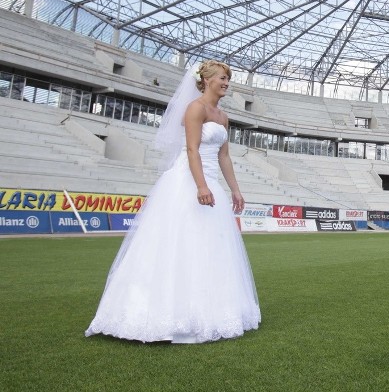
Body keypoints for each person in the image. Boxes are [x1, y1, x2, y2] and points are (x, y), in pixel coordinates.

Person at [86, 60, 261, 343]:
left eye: (228, 78)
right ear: (205, 80)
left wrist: (235, 190)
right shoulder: (195, 109)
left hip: (212, 182)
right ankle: (162, 313)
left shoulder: (223, 116)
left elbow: (224, 156)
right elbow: (192, 149)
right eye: (222, 77)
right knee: (180, 243)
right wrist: (201, 185)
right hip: (189, 181)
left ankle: (209, 310)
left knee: (209, 246)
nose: (227, 82)